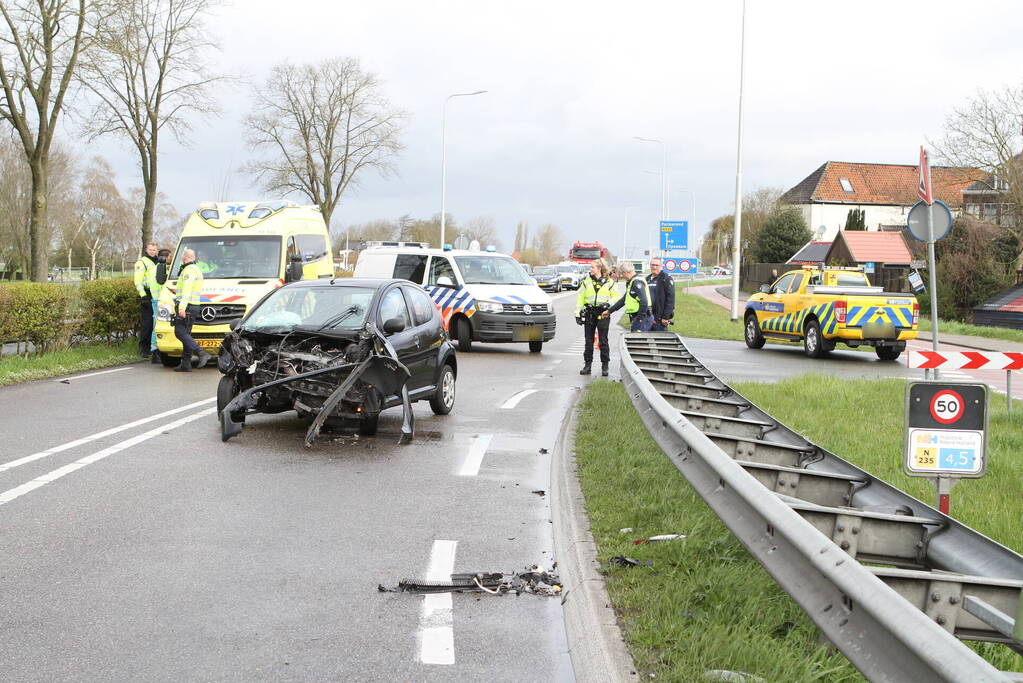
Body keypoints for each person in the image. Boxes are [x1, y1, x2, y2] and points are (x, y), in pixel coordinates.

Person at [575, 259, 617, 376]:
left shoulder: (609, 282)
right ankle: (587, 366)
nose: (590, 269)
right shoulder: (586, 281)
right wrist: (577, 314)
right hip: (590, 313)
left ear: (599, 269)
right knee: (588, 341)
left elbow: (616, 297)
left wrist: (608, 304)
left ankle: (605, 366)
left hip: (603, 313)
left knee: (603, 341)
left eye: (592, 267)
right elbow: (580, 298)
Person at [172, 248, 212, 372]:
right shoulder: (196, 269)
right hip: (193, 305)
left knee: (179, 332)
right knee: (186, 334)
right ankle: (186, 363)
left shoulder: (188, 270)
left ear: (184, 257)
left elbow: (187, 290)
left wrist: (182, 307)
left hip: (187, 306)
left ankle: (201, 353)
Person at [607, 262, 653, 332]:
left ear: (625, 272)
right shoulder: (632, 282)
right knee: (635, 338)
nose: (622, 276)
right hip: (638, 316)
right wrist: (609, 311)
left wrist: (640, 318)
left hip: (642, 317)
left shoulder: (636, 282)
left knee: (638, 338)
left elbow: (644, 301)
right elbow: (623, 300)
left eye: (622, 274)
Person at [146, 247, 172, 363]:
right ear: (165, 258)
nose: (171, 259)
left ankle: (155, 350)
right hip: (162, 301)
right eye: (170, 256)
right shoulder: (163, 270)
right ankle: (156, 352)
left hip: (155, 299)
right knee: (158, 325)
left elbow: (147, 283)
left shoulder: (152, 269)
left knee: (156, 325)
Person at [133, 242, 158, 358]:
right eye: (151, 249)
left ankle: (154, 348)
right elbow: (138, 281)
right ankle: (143, 348)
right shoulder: (142, 262)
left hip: (156, 295)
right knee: (147, 323)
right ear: (146, 250)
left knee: (155, 323)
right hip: (147, 295)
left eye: (154, 249)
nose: (152, 251)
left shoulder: (157, 262)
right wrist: (143, 295)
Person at [646, 257, 675, 332]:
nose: (654, 267)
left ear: (661, 266)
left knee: (660, 338)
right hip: (647, 317)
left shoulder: (666, 279)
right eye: (652, 265)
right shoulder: (647, 279)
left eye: (656, 265)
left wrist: (665, 317)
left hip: (660, 318)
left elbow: (670, 300)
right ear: (650, 266)